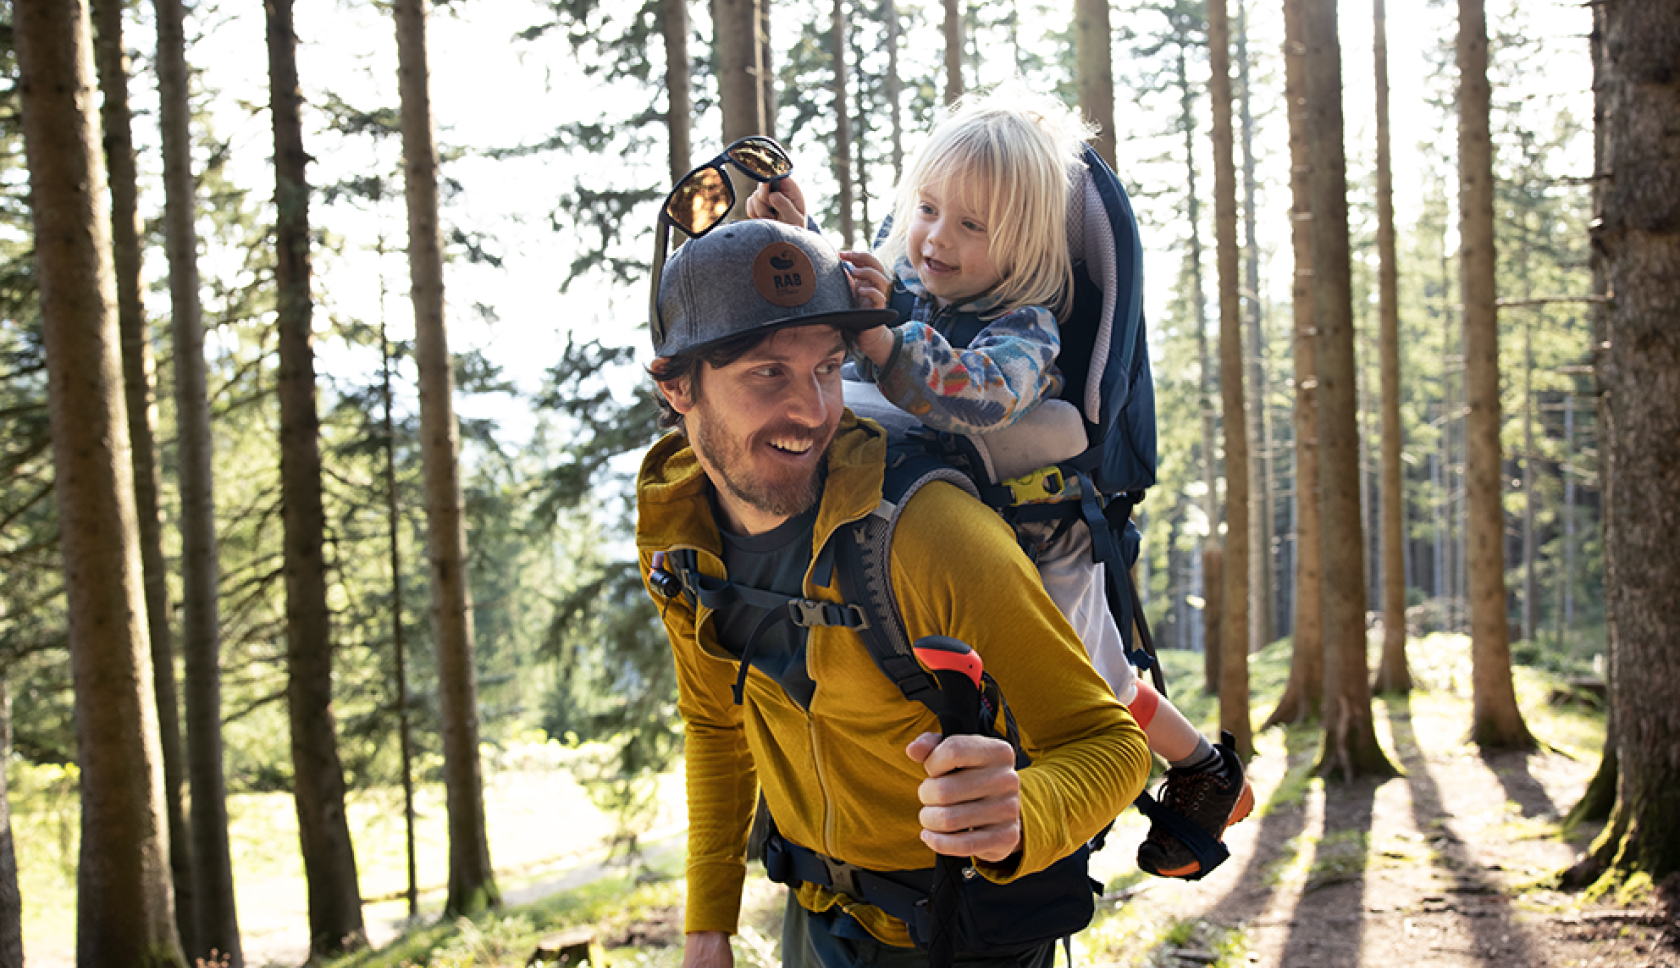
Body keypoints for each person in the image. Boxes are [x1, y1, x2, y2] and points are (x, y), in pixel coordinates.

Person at [747, 87, 1254, 880]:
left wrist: (884, 343)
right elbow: (844, 319)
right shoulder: (911, 287)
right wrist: (799, 235)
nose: (936, 238)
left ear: (1023, 245)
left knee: (1097, 680)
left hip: (1042, 532)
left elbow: (976, 391)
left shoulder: (1027, 326)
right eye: (926, 209)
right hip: (953, 529)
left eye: (972, 225)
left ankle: (1204, 772)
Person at [637, 215, 1151, 968]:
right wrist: (708, 926)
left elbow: (1112, 744)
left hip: (964, 933)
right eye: (767, 374)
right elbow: (717, 724)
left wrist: (1020, 814)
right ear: (678, 387)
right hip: (813, 925)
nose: (812, 411)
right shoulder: (679, 525)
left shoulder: (927, 534)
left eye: (824, 368)